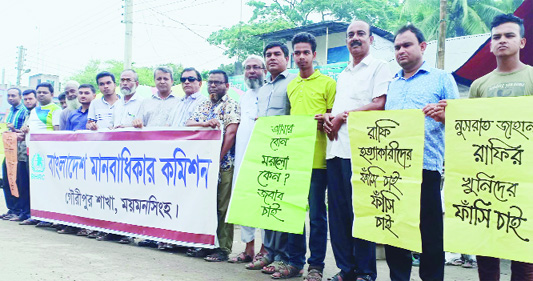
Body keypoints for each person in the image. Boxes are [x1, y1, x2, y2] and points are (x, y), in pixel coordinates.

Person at [430, 13, 533, 281]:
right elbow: (471, 132)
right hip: (487, 178)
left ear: (522, 42)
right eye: (496, 36)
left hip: (524, 179)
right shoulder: (478, 85)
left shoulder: (532, 77)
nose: (502, 41)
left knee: (524, 249)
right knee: (486, 246)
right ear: (490, 44)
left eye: (509, 35)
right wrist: (448, 118)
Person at [384, 24, 459, 281]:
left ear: (423, 46)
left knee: (430, 235)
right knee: (395, 232)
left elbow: (460, 122)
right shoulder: (392, 84)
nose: (401, 50)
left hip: (426, 168)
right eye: (397, 47)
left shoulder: (441, 78)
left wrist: (446, 116)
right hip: (394, 170)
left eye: (407, 45)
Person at [323, 20, 392, 281]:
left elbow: (380, 104)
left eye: (360, 34)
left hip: (362, 153)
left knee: (360, 213)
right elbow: (339, 112)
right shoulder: (342, 74)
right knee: (338, 213)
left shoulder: (379, 67)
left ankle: (365, 272)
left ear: (371, 39)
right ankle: (346, 270)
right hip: (335, 151)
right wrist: (329, 119)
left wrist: (341, 116)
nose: (355, 38)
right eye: (350, 34)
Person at [272, 32, 335, 280]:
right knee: (293, 215)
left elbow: (333, 121)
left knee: (317, 216)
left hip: (319, 161)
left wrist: (325, 121)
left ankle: (316, 266)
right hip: (294, 161)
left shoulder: (329, 84)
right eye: (296, 52)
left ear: (314, 55)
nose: (300, 57)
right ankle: (294, 263)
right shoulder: (291, 86)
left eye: (305, 52)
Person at [244, 42, 296, 276]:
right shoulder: (263, 89)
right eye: (268, 55)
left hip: (284, 153)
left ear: (287, 58)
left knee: (282, 206)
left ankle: (284, 257)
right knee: (268, 203)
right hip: (264, 152)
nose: (272, 58)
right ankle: (270, 254)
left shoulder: (293, 84)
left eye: (277, 54)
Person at [186, 69, 240, 262]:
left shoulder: (231, 104)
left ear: (227, 86)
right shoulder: (205, 104)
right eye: (210, 82)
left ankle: (223, 248)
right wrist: (204, 124)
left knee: (222, 207)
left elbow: (231, 134)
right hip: (203, 166)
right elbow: (189, 123)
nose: (213, 86)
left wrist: (217, 159)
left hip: (224, 164)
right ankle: (207, 244)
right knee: (206, 205)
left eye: (217, 82)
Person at [132, 66, 180, 248]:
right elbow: (137, 122)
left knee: (169, 196)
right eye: (158, 78)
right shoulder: (145, 102)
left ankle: (168, 237)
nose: (162, 81)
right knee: (151, 196)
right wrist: (136, 122)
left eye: (165, 78)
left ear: (172, 81)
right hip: (150, 157)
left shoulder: (179, 101)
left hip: (171, 157)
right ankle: (152, 235)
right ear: (155, 81)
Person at [227, 55, 268, 264]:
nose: (251, 71)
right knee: (245, 199)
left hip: (264, 156)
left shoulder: (271, 92)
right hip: (243, 156)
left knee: (264, 200)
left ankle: (264, 249)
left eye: (256, 67)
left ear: (264, 70)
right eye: (248, 68)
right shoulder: (243, 97)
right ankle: (248, 248)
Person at [0, 88, 28, 222]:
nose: (10, 98)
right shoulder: (9, 111)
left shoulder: (24, 111)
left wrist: (13, 130)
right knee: (7, 179)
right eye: (9, 96)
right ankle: (11, 208)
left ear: (20, 97)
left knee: (16, 179)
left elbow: (22, 132)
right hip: (7, 148)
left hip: (19, 149)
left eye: (13, 95)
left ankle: (17, 209)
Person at [17, 89, 38, 226]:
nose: (28, 101)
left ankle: (33, 214)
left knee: (33, 186)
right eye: (25, 99)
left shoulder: (38, 114)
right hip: (23, 153)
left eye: (30, 99)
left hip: (35, 154)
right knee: (23, 184)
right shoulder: (27, 113)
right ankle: (24, 213)